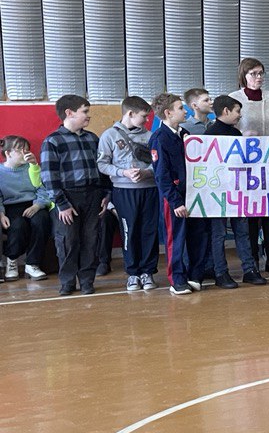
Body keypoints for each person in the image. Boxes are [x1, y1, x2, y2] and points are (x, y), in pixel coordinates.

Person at [40, 95, 110, 296]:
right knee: (68, 241)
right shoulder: (53, 141)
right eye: (84, 112)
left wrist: (106, 194)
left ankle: (87, 281)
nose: (88, 116)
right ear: (69, 113)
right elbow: (49, 176)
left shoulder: (92, 139)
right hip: (68, 197)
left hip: (93, 195)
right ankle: (67, 281)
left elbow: (102, 169)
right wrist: (61, 203)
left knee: (91, 239)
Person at [203, 95, 268, 288]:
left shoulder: (236, 134)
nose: (240, 115)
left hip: (237, 192)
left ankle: (249, 270)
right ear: (226, 111)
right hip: (217, 194)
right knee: (218, 234)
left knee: (243, 231)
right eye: (237, 111)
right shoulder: (210, 134)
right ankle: (220, 272)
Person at [96, 97, 159, 292]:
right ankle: (133, 273)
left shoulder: (151, 136)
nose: (147, 120)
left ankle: (148, 271)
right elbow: (102, 164)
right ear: (130, 114)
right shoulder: (109, 136)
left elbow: (158, 163)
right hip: (123, 191)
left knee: (149, 231)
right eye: (144, 116)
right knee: (128, 231)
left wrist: (146, 173)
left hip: (149, 189)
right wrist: (123, 172)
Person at [151, 92, 210, 296]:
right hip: (175, 198)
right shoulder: (160, 138)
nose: (185, 111)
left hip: (192, 194)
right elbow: (161, 175)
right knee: (176, 238)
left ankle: (195, 275)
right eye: (180, 108)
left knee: (198, 235)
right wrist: (175, 202)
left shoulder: (184, 133)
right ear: (168, 113)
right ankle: (177, 279)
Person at [231, 58, 269, 273]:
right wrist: (243, 135)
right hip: (246, 163)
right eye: (253, 73)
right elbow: (229, 130)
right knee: (251, 213)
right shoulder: (234, 98)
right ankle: (251, 257)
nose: (258, 77)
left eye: (261, 73)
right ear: (244, 75)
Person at [0, 136, 52, 281]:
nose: (25, 153)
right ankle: (12, 260)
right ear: (8, 153)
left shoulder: (32, 168)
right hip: (10, 206)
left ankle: (32, 264)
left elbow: (42, 188)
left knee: (41, 220)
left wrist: (38, 205)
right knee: (17, 225)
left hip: (33, 203)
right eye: (20, 150)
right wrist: (1, 214)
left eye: (27, 150)